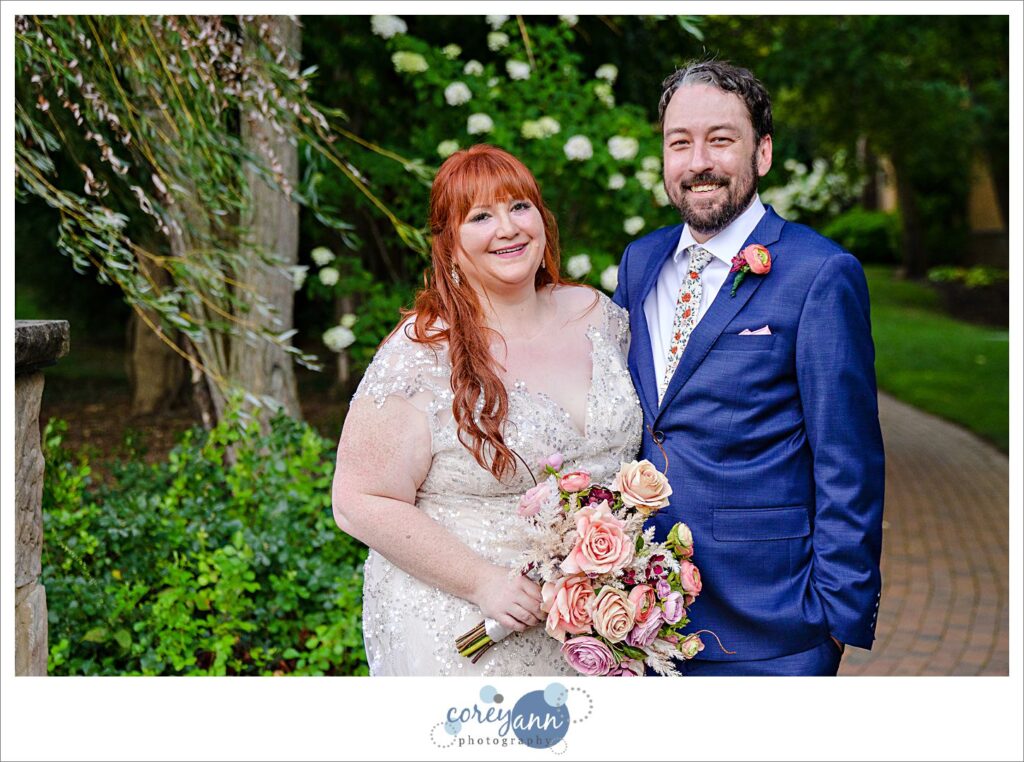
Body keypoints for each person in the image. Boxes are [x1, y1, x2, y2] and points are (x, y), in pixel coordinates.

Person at [612, 60, 885, 676]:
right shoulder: (639, 261)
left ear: (761, 153)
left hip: (774, 625)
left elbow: (849, 461)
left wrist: (835, 621)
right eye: (680, 142)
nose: (698, 160)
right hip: (642, 615)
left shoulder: (819, 274)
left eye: (721, 139)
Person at [332, 144, 643, 675]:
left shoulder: (598, 315)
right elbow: (357, 500)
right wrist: (482, 581)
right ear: (450, 246)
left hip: (597, 623)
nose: (508, 227)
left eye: (519, 207)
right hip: (465, 626)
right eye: (480, 216)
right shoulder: (423, 352)